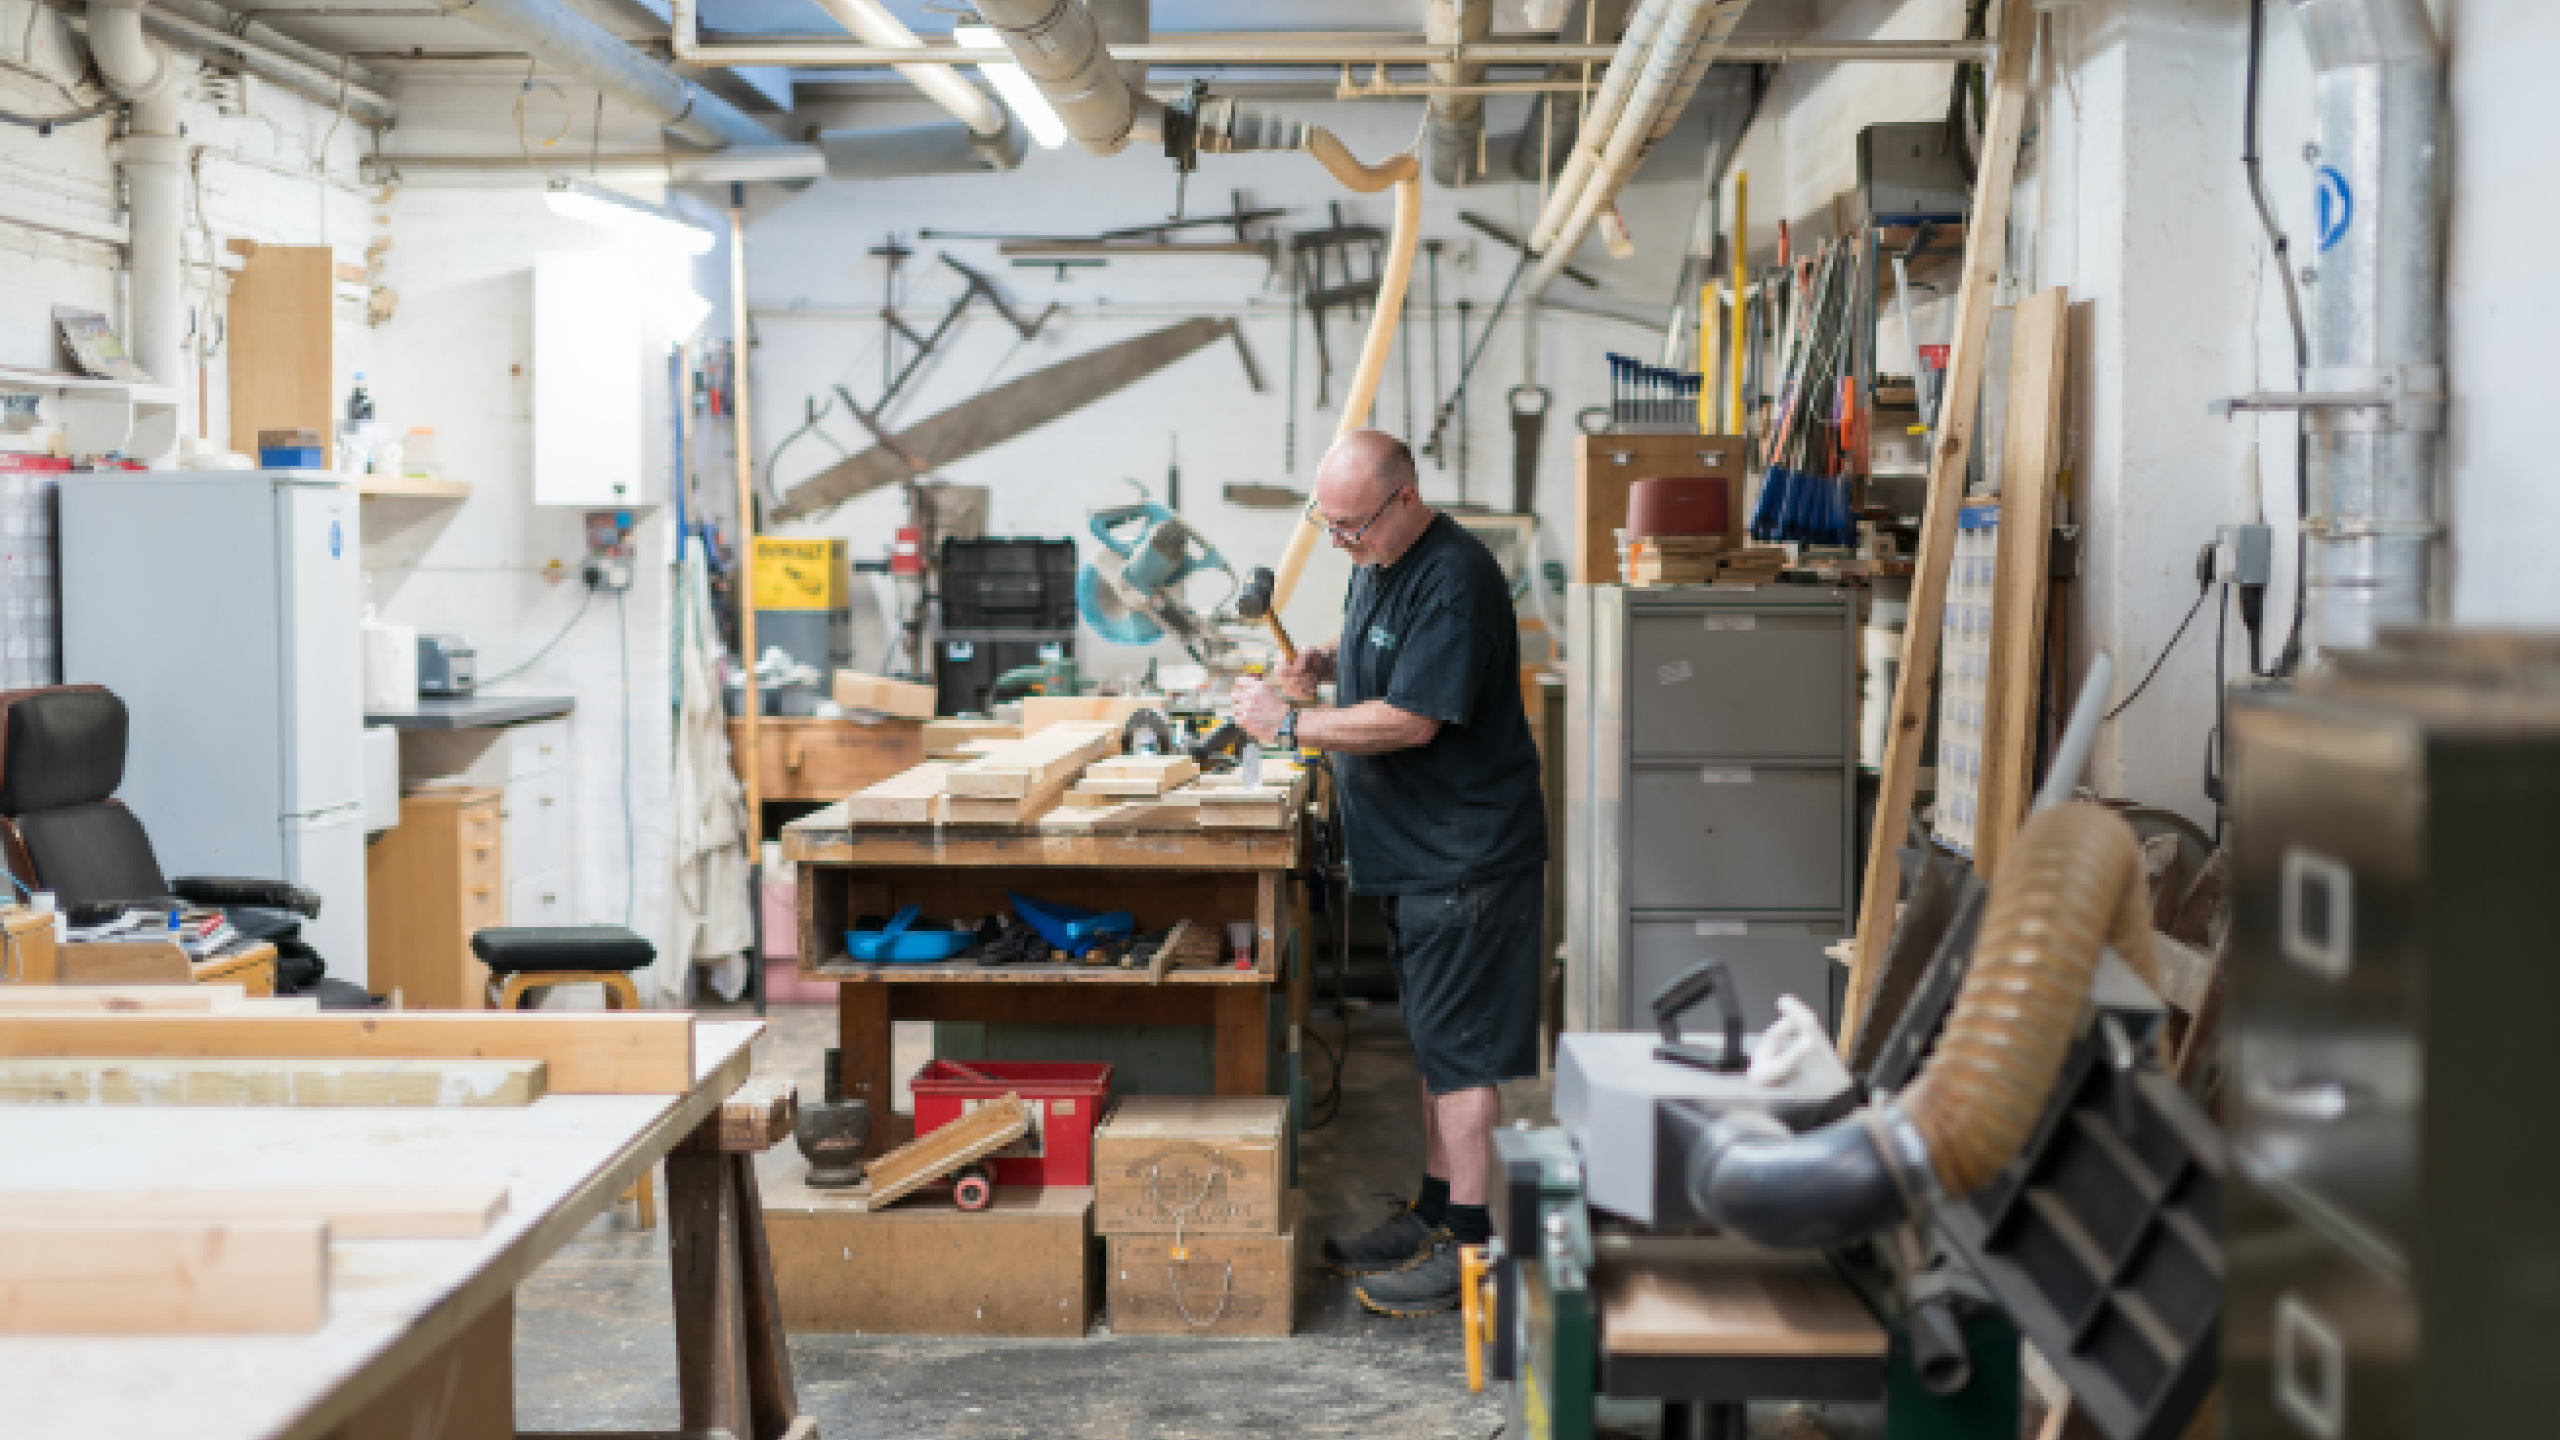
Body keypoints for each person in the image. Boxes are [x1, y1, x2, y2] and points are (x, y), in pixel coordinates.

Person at [1229, 429, 1548, 1316]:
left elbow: (1412, 721)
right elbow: (1388, 642)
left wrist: (1287, 726)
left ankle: (1475, 1254)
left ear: (1404, 498)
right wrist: (1333, 658)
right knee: (1437, 1050)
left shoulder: (1456, 577)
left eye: (1352, 527)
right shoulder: (1380, 552)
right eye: (1326, 526)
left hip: (1466, 859)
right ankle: (1439, 1215)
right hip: (1415, 855)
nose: (1341, 543)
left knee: (1464, 1061)